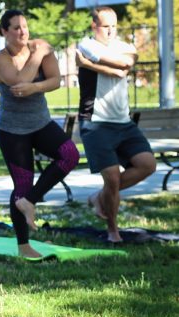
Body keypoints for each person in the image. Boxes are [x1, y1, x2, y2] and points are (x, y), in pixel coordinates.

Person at [0, 10, 80, 257]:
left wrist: (36, 87)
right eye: (16, 28)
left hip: (41, 123)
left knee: (70, 155)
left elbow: (55, 81)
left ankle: (30, 200)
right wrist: (39, 54)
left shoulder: (39, 48)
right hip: (12, 130)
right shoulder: (0, 59)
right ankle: (23, 246)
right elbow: (19, 82)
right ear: (4, 32)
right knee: (21, 183)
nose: (23, 32)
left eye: (25, 26)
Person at [76, 7, 156, 243]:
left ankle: (99, 197)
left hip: (124, 123)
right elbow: (120, 67)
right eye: (105, 26)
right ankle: (113, 231)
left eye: (114, 26)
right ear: (94, 26)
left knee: (147, 164)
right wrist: (112, 68)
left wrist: (89, 65)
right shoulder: (86, 45)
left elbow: (125, 64)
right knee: (112, 178)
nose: (110, 31)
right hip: (95, 123)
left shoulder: (126, 46)